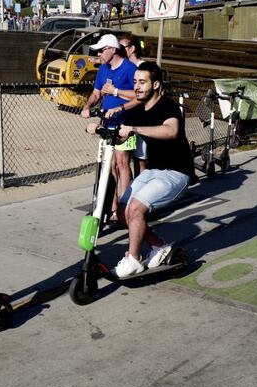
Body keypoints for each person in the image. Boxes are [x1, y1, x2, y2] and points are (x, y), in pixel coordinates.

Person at [99, 62, 194, 277]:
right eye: (135, 82)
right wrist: (102, 129)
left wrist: (134, 128)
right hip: (153, 171)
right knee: (122, 213)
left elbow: (171, 131)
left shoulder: (168, 106)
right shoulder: (138, 109)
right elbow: (124, 134)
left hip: (176, 172)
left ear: (156, 84)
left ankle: (133, 259)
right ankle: (159, 246)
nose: (137, 87)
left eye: (142, 82)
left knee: (136, 209)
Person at [81, 33, 137, 222]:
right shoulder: (103, 69)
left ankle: (123, 206)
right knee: (109, 163)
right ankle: (111, 207)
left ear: (112, 49)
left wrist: (115, 92)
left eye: (101, 50)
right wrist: (87, 106)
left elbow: (139, 96)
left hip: (125, 121)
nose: (98, 54)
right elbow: (96, 92)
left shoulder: (130, 68)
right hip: (107, 122)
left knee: (122, 163)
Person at [111, 34, 148, 175]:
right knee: (121, 161)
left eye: (122, 47)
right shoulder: (121, 67)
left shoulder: (142, 67)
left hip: (141, 120)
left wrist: (116, 92)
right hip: (125, 119)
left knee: (140, 160)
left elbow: (142, 96)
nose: (118, 50)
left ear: (132, 48)